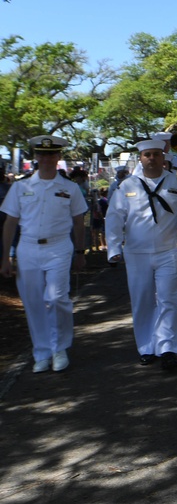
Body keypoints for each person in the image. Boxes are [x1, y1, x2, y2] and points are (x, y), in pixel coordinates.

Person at [0, 135, 88, 373]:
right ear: (35, 157)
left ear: (58, 156)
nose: (46, 158)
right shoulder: (21, 187)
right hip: (28, 248)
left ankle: (59, 348)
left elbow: (79, 221)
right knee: (33, 302)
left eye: (51, 154)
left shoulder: (69, 187)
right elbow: (10, 222)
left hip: (59, 247)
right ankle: (41, 352)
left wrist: (80, 251)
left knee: (57, 298)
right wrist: (6, 257)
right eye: (42, 154)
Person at [105, 136, 177, 371]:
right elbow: (114, 218)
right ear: (141, 158)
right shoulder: (127, 186)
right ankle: (146, 347)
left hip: (169, 250)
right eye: (147, 155)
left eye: (156, 154)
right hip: (137, 252)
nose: (152, 158)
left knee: (169, 300)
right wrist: (113, 248)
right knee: (142, 300)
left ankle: (168, 348)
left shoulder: (176, 180)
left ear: (163, 156)